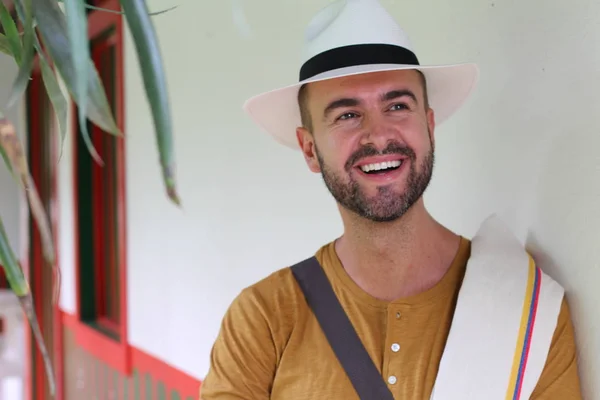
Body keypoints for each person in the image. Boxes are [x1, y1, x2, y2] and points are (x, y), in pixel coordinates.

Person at [200, 0, 582, 398]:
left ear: (429, 127)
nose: (379, 135)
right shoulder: (264, 318)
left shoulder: (526, 312)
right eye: (347, 115)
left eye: (397, 106)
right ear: (310, 149)